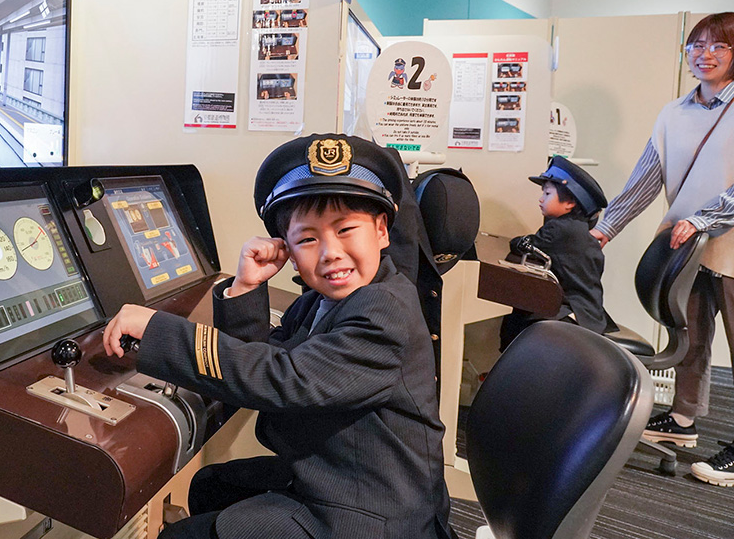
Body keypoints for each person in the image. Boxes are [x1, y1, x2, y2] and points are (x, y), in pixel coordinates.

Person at [103, 133, 456, 538]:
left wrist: (157, 331)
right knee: (211, 486)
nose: (329, 252)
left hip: (371, 514)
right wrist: (246, 288)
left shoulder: (384, 309)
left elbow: (284, 378)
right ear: (285, 247)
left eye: (346, 230)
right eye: (307, 238)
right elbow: (264, 363)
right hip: (345, 472)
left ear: (381, 231)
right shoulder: (322, 300)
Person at [590, 12, 734, 488]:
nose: (705, 54)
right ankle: (685, 421)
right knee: (689, 337)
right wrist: (606, 227)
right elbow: (646, 178)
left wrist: (704, 218)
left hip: (727, 244)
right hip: (684, 246)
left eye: (719, 46)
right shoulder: (673, 113)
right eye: (696, 45)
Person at [499, 155, 616, 350]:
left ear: (569, 202)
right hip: (590, 313)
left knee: (521, 318)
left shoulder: (560, 230)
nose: (540, 199)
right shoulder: (576, 228)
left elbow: (524, 244)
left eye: (547, 194)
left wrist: (517, 241)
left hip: (574, 312)